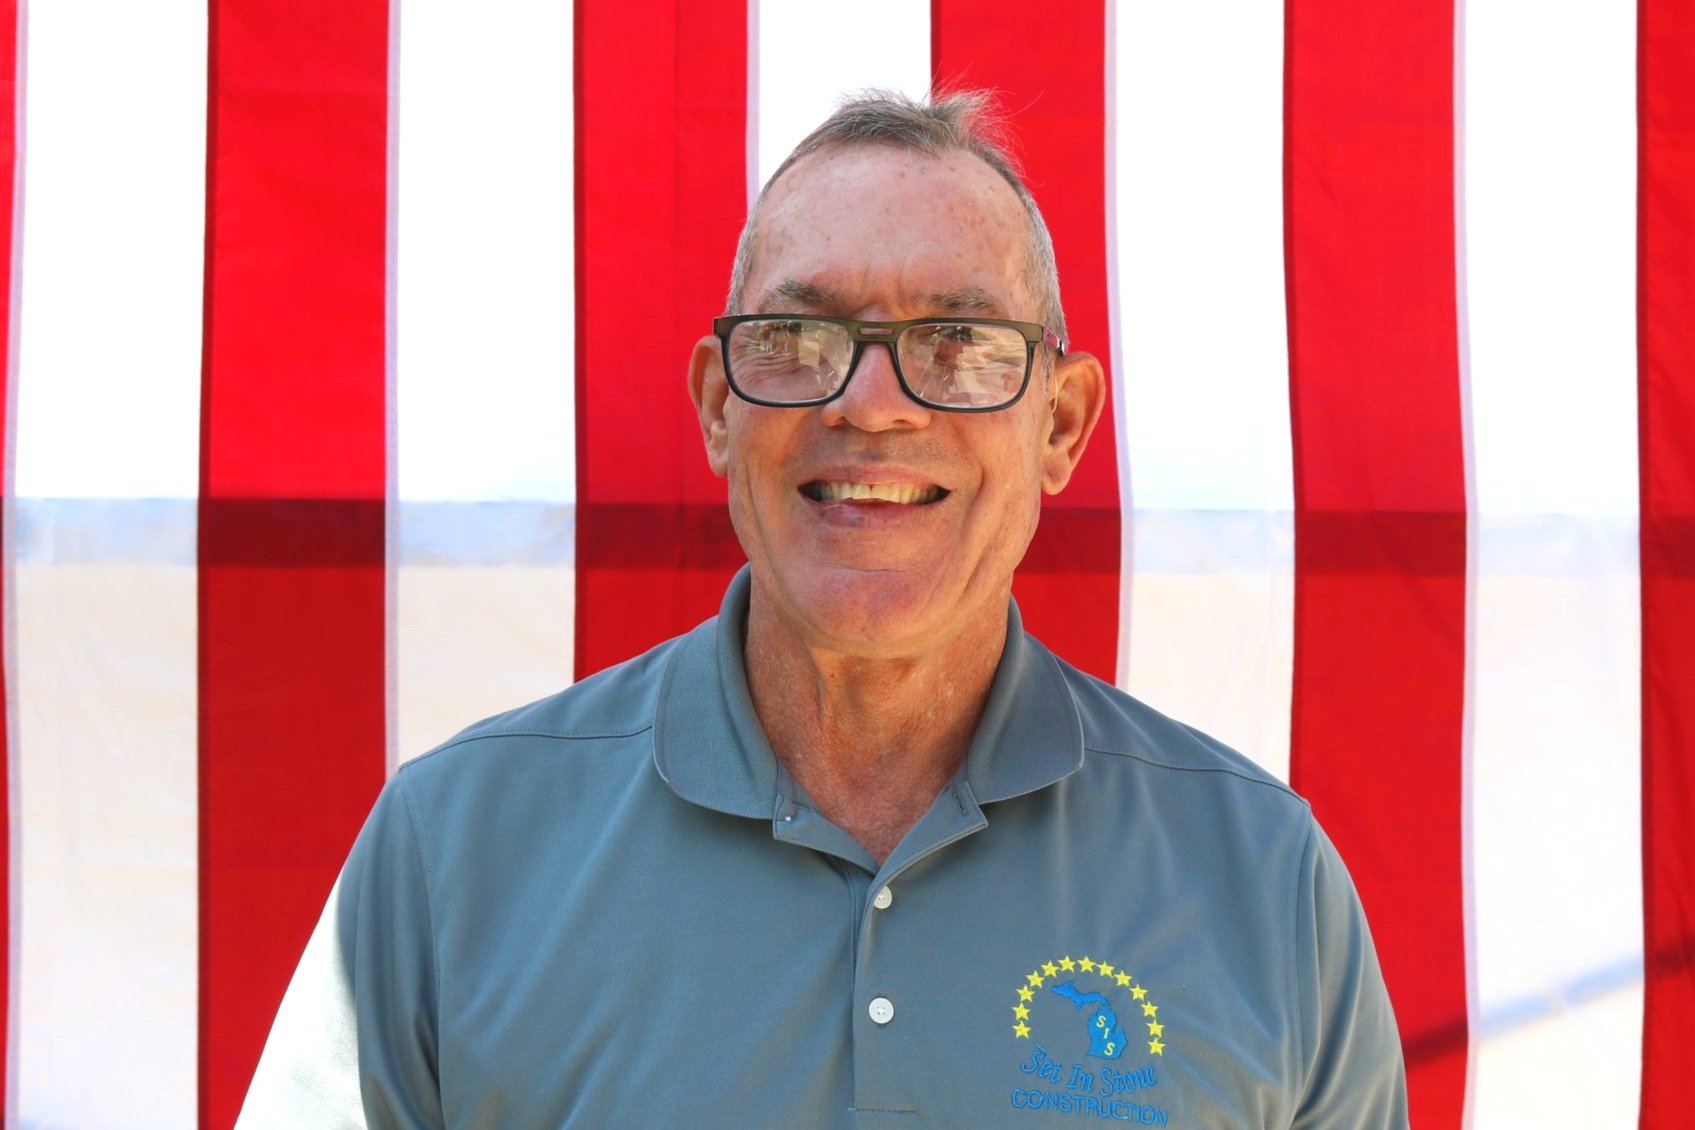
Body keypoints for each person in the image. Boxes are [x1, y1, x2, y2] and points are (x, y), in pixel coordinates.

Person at [239, 90, 1408, 1128]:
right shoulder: (456, 849)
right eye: (799, 338)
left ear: (1059, 425)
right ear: (718, 409)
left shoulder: (1261, 880)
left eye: (956, 341)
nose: (872, 403)